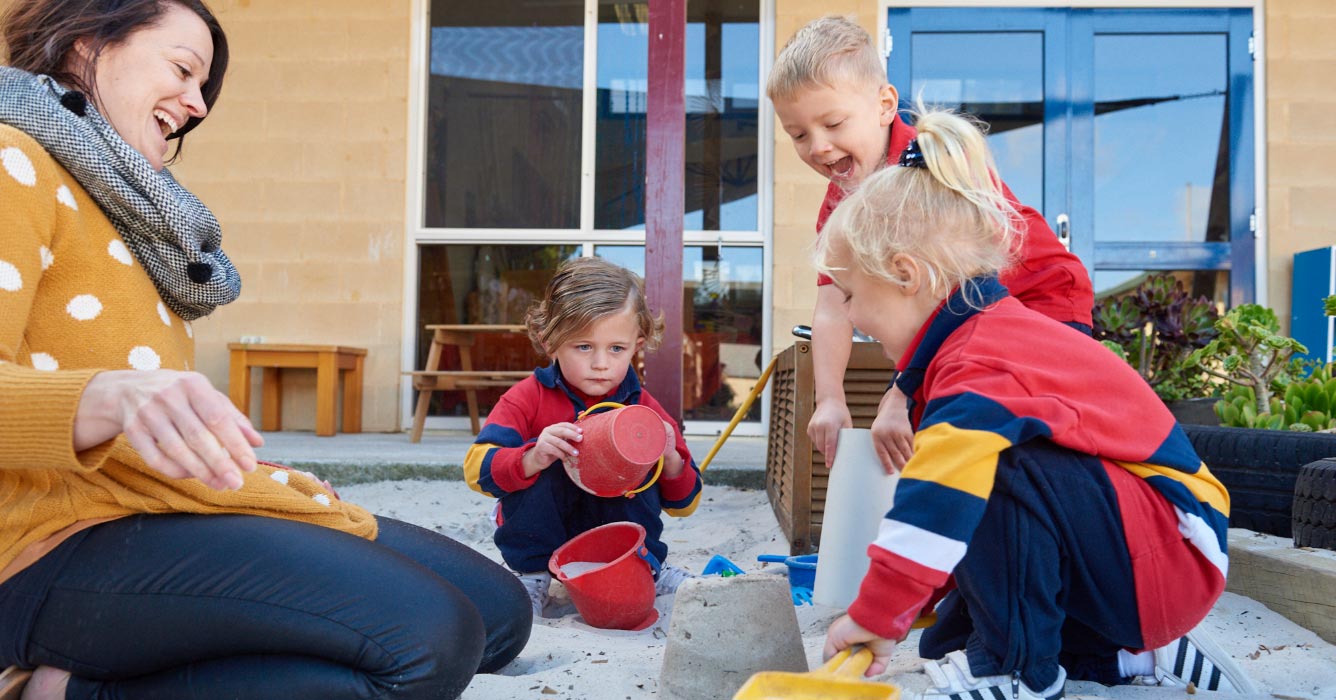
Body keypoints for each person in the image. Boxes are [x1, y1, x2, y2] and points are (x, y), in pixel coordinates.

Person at [0, 1, 530, 698]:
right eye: (184, 71)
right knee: (430, 642)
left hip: (161, 508)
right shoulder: (14, 158)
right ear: (84, 45)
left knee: (498, 616)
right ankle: (64, 691)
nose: (197, 105)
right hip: (46, 544)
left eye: (203, 87)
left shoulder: (124, 205)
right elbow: (106, 397)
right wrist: (107, 397)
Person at [811, 106, 1254, 698]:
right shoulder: (968, 342)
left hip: (1174, 546)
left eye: (851, 294)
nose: (849, 314)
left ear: (905, 274)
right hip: (1146, 543)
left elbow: (940, 493)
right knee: (947, 642)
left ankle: (1018, 671)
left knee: (990, 465)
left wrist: (874, 615)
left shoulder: (987, 357)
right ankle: (1127, 656)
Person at [767, 15, 1094, 475]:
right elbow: (831, 306)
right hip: (969, 321)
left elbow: (965, 287)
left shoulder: (928, 166)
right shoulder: (841, 201)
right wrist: (830, 400)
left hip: (1039, 302)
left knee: (1012, 443)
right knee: (932, 423)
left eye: (834, 123)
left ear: (884, 105)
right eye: (798, 135)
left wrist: (903, 391)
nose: (818, 147)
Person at [464, 257, 703, 616]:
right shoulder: (528, 397)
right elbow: (476, 472)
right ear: (550, 342)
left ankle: (647, 566)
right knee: (546, 456)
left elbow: (684, 505)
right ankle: (532, 575)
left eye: (616, 349)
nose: (601, 363)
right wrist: (532, 457)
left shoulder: (643, 409)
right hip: (542, 530)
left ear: (637, 345)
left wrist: (669, 457)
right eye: (584, 347)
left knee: (635, 471)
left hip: (611, 536)